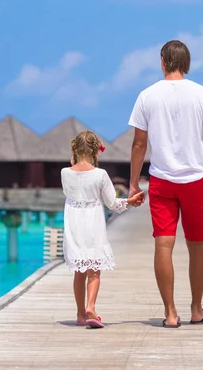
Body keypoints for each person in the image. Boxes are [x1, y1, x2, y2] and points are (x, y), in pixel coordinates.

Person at [127, 40, 203, 328]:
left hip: (162, 181)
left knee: (163, 246)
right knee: (197, 245)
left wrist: (132, 184)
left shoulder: (147, 95)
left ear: (163, 61)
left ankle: (169, 313)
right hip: (195, 180)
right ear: (186, 63)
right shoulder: (202, 94)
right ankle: (196, 309)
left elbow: (139, 145)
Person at [61, 131, 144, 329]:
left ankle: (81, 314)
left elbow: (70, 189)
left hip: (73, 224)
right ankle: (91, 307)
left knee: (79, 272)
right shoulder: (101, 175)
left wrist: (74, 161)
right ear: (96, 150)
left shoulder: (65, 173)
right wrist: (130, 202)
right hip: (93, 225)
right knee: (94, 272)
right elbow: (112, 203)